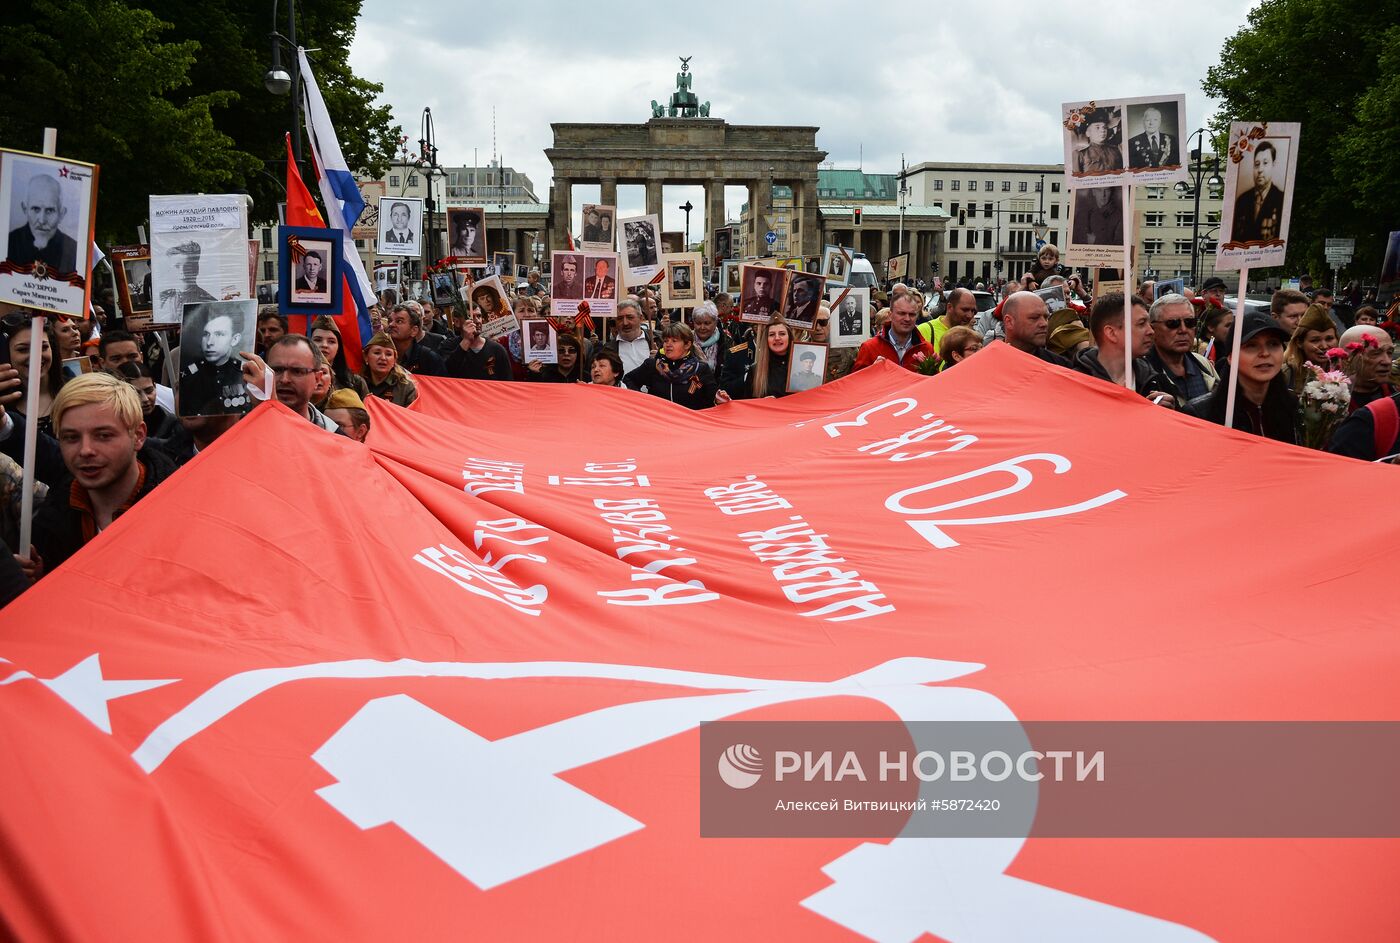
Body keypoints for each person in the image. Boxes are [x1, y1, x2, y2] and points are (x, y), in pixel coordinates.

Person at [24, 373, 176, 580]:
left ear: (139, 436)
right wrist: (41, 577)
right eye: (71, 438)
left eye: (103, 436)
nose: (85, 450)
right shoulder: (50, 519)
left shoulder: (179, 508)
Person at [1187, 312, 1297, 443]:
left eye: (1273, 344)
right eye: (1252, 346)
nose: (1265, 353)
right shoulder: (1201, 414)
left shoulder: (1293, 405)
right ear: (1230, 357)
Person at [1072, 293, 1174, 404]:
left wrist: (1168, 413)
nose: (1151, 331)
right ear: (1111, 333)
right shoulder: (1077, 384)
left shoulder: (1154, 379)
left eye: (1149, 324)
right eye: (1141, 324)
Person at [241, 335, 343, 434]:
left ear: (317, 379)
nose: (285, 379)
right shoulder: (239, 429)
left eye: (297, 371)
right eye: (277, 370)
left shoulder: (336, 439)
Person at [178, 304, 250, 416]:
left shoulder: (246, 373)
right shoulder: (189, 375)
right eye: (206, 334)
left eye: (219, 334)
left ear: (235, 339)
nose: (209, 342)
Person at [622, 322, 716, 408]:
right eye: (666, 341)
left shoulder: (701, 369)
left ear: (687, 345)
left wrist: (718, 400)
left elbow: (711, 401)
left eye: (674, 341)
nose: (668, 345)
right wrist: (644, 400)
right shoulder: (652, 365)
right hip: (658, 422)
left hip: (688, 424)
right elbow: (628, 380)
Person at [1146, 293, 1218, 403]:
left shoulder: (1203, 363)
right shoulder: (1142, 373)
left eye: (1190, 322)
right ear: (1152, 329)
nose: (1183, 330)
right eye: (1172, 323)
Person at [6, 172, 78, 274]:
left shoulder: (73, 251)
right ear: (25, 209)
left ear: (61, 214)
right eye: (36, 209)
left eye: (49, 210)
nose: (42, 220)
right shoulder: (8, 243)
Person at [852, 292, 935, 372]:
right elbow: (855, 383)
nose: (907, 319)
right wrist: (872, 373)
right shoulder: (869, 348)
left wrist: (932, 370)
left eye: (912, 314)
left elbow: (933, 384)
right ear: (890, 315)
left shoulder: (926, 349)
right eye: (901, 313)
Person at [725, 315, 792, 400]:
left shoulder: (800, 367)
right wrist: (761, 402)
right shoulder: (755, 370)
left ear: (789, 337)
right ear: (766, 339)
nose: (777, 338)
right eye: (771, 334)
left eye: (782, 334)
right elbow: (748, 405)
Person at [1231, 142, 1285, 244]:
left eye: (1265, 163)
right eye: (1257, 164)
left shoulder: (1281, 200)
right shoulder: (1242, 201)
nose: (1260, 170)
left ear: (1273, 165)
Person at [999, 291, 1071, 367]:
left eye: (1046, 317)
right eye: (1034, 318)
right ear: (1009, 322)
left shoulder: (1060, 366)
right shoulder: (989, 363)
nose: (1044, 324)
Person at [111, 361, 178, 439]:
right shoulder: (113, 425)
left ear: (155, 386)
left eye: (149, 391)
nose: (145, 399)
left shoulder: (171, 423)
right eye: (136, 393)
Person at [1282, 305, 1338, 395]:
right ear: (1299, 343)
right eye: (1315, 340)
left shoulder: (1342, 371)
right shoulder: (1286, 374)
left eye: (1329, 339)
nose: (1324, 346)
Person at [309, 316, 370, 400]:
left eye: (331, 341)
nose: (324, 345)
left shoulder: (355, 383)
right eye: (318, 340)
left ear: (338, 348)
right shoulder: (297, 378)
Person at [1337, 325, 1395, 413]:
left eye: (1389, 352)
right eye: (1376, 353)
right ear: (1346, 359)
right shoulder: (1329, 402)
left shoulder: (1395, 394)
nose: (1387, 361)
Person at [156, 241, 216, 322]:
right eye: (177, 266)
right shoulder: (162, 298)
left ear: (196, 268)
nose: (182, 271)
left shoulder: (209, 301)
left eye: (187, 266)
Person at [445, 311, 512, 381]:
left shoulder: (497, 349)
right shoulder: (448, 346)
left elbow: (508, 382)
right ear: (456, 322)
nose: (477, 321)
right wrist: (466, 341)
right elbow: (447, 372)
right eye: (469, 317)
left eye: (479, 316)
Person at [597, 298, 654, 376]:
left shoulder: (658, 340)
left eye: (630, 317)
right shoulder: (607, 349)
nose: (625, 323)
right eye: (620, 319)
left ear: (641, 318)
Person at [385, 304, 446, 376]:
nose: (391, 324)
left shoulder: (429, 359)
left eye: (399, 321)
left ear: (414, 330)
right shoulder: (380, 355)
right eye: (390, 320)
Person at [361, 332, 418, 407]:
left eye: (388, 354)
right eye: (377, 353)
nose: (383, 358)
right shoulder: (357, 384)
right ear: (366, 357)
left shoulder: (406, 388)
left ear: (394, 360)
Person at [918, 286, 978, 351]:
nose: (970, 315)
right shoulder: (925, 330)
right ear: (949, 307)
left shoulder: (972, 336)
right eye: (965, 310)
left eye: (973, 311)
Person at [1073, 109, 1122, 175]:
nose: (1103, 130)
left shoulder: (1116, 150)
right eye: (1097, 127)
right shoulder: (1081, 154)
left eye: (1104, 127)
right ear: (1088, 133)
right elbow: (1076, 181)